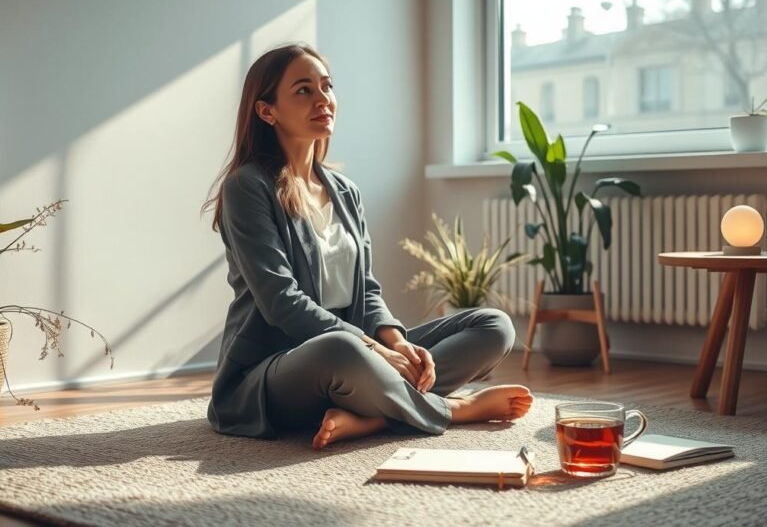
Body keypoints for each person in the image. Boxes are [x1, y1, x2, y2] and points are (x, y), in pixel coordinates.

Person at [202, 43, 533, 450]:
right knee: (340, 349)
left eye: (327, 86)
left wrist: (397, 343)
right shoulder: (247, 188)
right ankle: (453, 409)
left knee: (493, 325)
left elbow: (368, 289)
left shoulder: (345, 191)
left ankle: (372, 417)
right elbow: (281, 302)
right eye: (304, 90)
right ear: (267, 111)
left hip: (358, 354)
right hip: (278, 370)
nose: (323, 99)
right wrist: (373, 349)